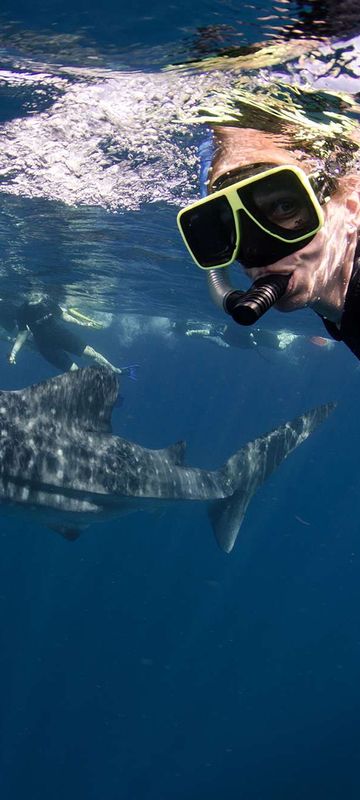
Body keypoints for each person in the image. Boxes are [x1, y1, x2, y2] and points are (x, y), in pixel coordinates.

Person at [176, 52, 360, 358]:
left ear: (351, 208)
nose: (256, 255)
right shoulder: (336, 289)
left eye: (286, 207)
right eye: (229, 228)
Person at [7, 295, 138, 377]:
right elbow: (23, 333)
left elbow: (63, 316)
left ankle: (117, 371)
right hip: (45, 346)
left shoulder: (47, 301)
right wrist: (13, 353)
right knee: (75, 371)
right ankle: (96, 390)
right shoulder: (22, 311)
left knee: (93, 354)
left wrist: (83, 323)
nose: (33, 295)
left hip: (62, 335)